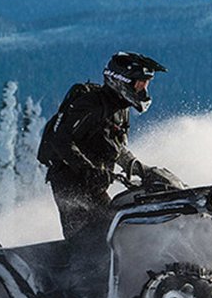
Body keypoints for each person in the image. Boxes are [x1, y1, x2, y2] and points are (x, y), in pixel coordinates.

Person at [37, 51, 168, 244]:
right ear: (122, 81)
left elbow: (116, 148)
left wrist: (141, 169)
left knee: (116, 229)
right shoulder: (91, 104)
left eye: (145, 84)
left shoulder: (120, 109)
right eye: (139, 83)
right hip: (70, 182)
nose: (143, 90)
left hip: (94, 183)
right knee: (88, 241)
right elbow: (60, 140)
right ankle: (78, 271)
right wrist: (87, 169)